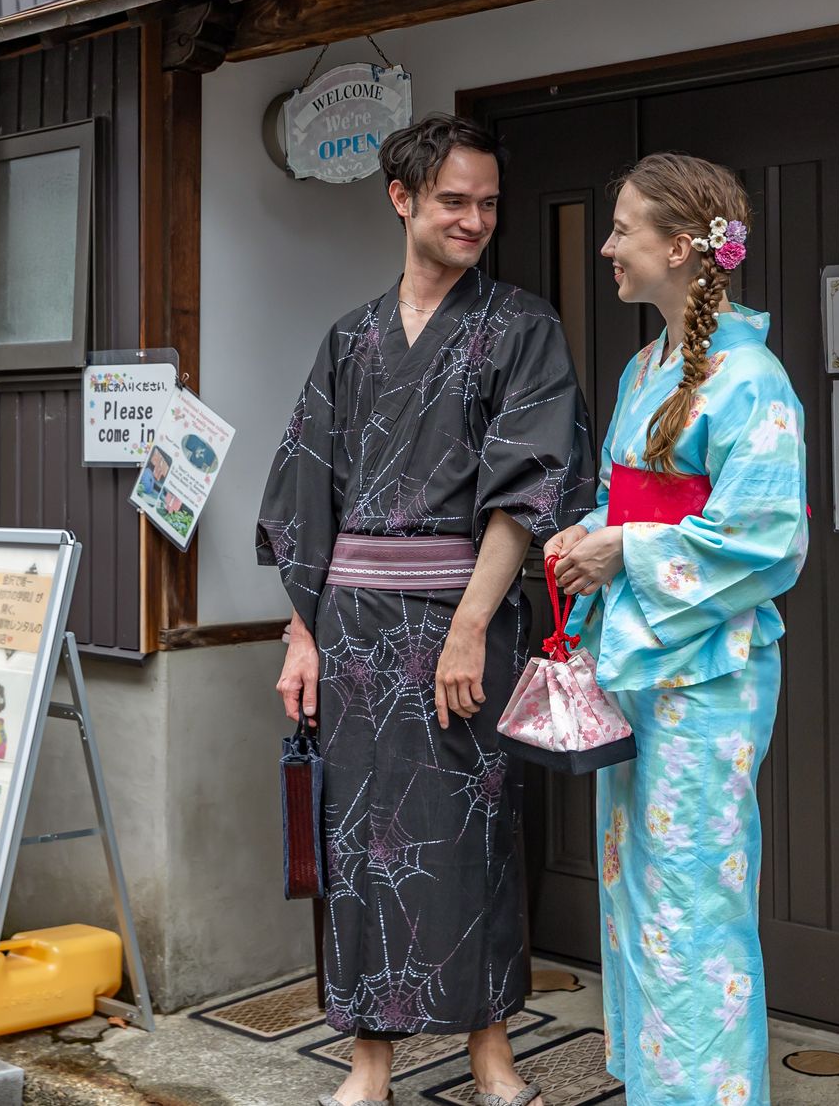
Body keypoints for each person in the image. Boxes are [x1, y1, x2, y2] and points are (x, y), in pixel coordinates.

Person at [258, 113, 595, 1106]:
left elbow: (527, 491)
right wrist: (300, 634)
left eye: (488, 203)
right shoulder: (349, 338)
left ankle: (491, 1048)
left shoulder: (521, 328)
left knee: (472, 833)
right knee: (358, 838)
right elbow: (302, 494)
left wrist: (466, 628)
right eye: (453, 200)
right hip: (352, 630)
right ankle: (368, 1062)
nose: (474, 219)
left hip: (465, 617)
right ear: (400, 199)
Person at [546, 153, 808, 1105]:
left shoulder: (754, 380)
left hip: (707, 678)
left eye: (624, 229)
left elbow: (768, 537)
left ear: (683, 248)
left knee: (694, 897)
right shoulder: (645, 367)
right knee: (636, 892)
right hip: (637, 663)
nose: (610, 246)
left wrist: (627, 552)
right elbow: (632, 508)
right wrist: (592, 544)